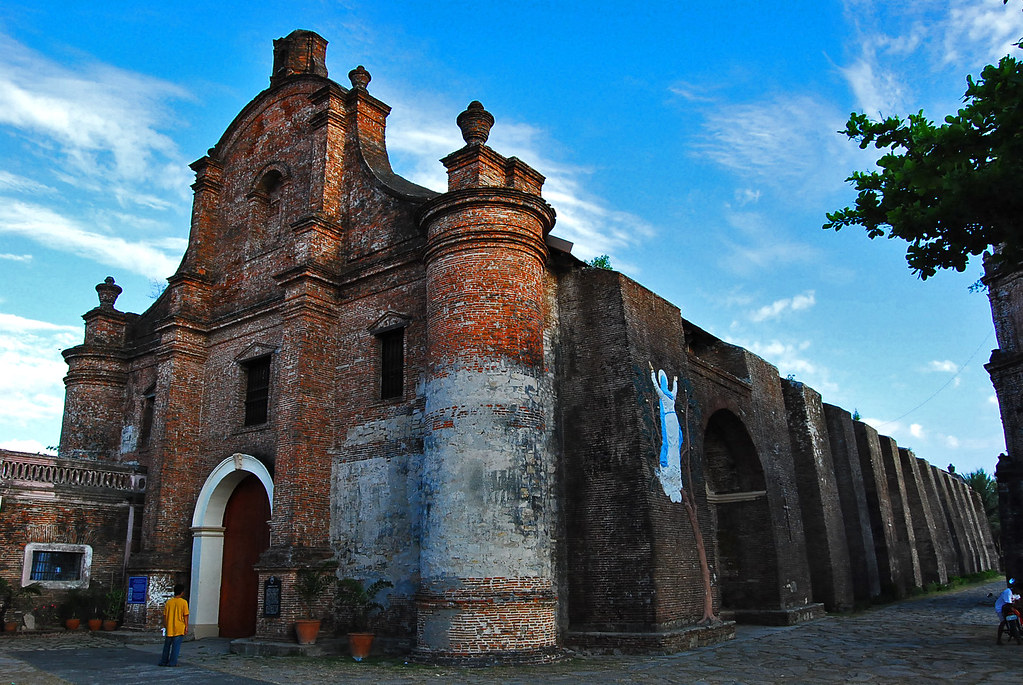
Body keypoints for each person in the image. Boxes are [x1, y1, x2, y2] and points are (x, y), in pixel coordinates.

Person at [159, 583, 189, 667]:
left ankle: (163, 661)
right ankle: (172, 662)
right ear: (182, 592)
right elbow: (185, 615)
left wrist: (165, 625)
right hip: (179, 627)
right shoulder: (183, 602)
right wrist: (186, 626)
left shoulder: (169, 602)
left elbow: (164, 615)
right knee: (176, 646)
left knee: (167, 646)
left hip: (170, 626)